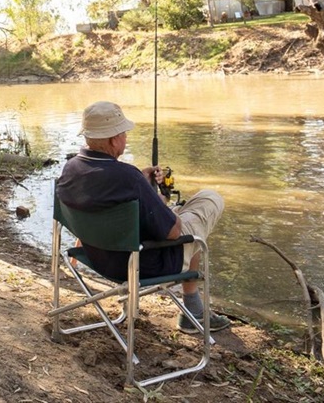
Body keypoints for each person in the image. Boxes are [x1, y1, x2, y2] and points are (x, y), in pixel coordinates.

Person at [55, 100, 230, 333]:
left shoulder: (71, 168)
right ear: (113, 139)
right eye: (124, 133)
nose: (125, 139)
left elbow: (111, 191)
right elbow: (174, 232)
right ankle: (193, 310)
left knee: (184, 216)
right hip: (140, 263)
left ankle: (193, 309)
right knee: (207, 202)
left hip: (96, 256)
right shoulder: (129, 178)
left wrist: (143, 186)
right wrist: (152, 194)